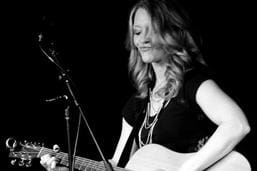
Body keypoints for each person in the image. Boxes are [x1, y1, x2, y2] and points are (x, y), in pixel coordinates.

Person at [40, 0, 251, 170]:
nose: (143, 40)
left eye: (153, 30)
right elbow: (116, 166)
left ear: (173, 32)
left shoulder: (193, 85)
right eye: (138, 32)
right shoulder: (138, 104)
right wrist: (66, 166)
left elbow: (237, 125)